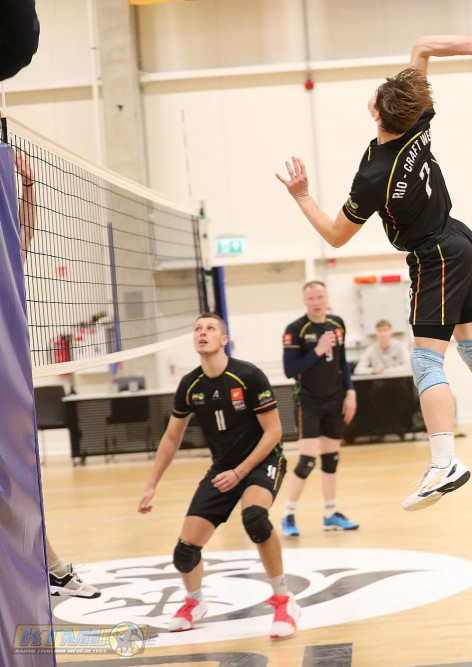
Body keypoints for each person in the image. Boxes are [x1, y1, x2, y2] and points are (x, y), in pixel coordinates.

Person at [277, 24, 472, 511]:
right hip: (462, 239)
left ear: (377, 112)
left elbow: (335, 234)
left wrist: (302, 195)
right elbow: (423, 46)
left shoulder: (374, 176)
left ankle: (445, 461)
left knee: (426, 360)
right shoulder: (419, 119)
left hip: (435, 255)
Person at [138, 313, 300, 637]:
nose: (202, 333)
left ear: (224, 340)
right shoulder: (190, 385)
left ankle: (284, 599)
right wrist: (151, 485)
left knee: (254, 518)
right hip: (223, 469)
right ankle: (195, 601)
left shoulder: (248, 376)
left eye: (210, 328)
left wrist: (240, 472)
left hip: (262, 461)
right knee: (185, 551)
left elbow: (274, 432)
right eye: (197, 329)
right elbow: (171, 438)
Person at [16, 148, 100, 599]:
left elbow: (23, 234)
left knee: (22, 483)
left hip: (10, 384)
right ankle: (53, 570)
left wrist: (28, 185)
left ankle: (53, 570)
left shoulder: (7, 267)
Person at [279, 281, 359, 536]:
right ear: (305, 301)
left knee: (331, 459)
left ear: (327, 298)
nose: (316, 302)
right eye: (311, 298)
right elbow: (290, 369)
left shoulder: (337, 324)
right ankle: (288, 515)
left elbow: (342, 362)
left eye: (320, 297)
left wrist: (350, 391)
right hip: (308, 401)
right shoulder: (295, 329)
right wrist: (318, 350)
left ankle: (330, 514)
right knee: (307, 460)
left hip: (335, 399)